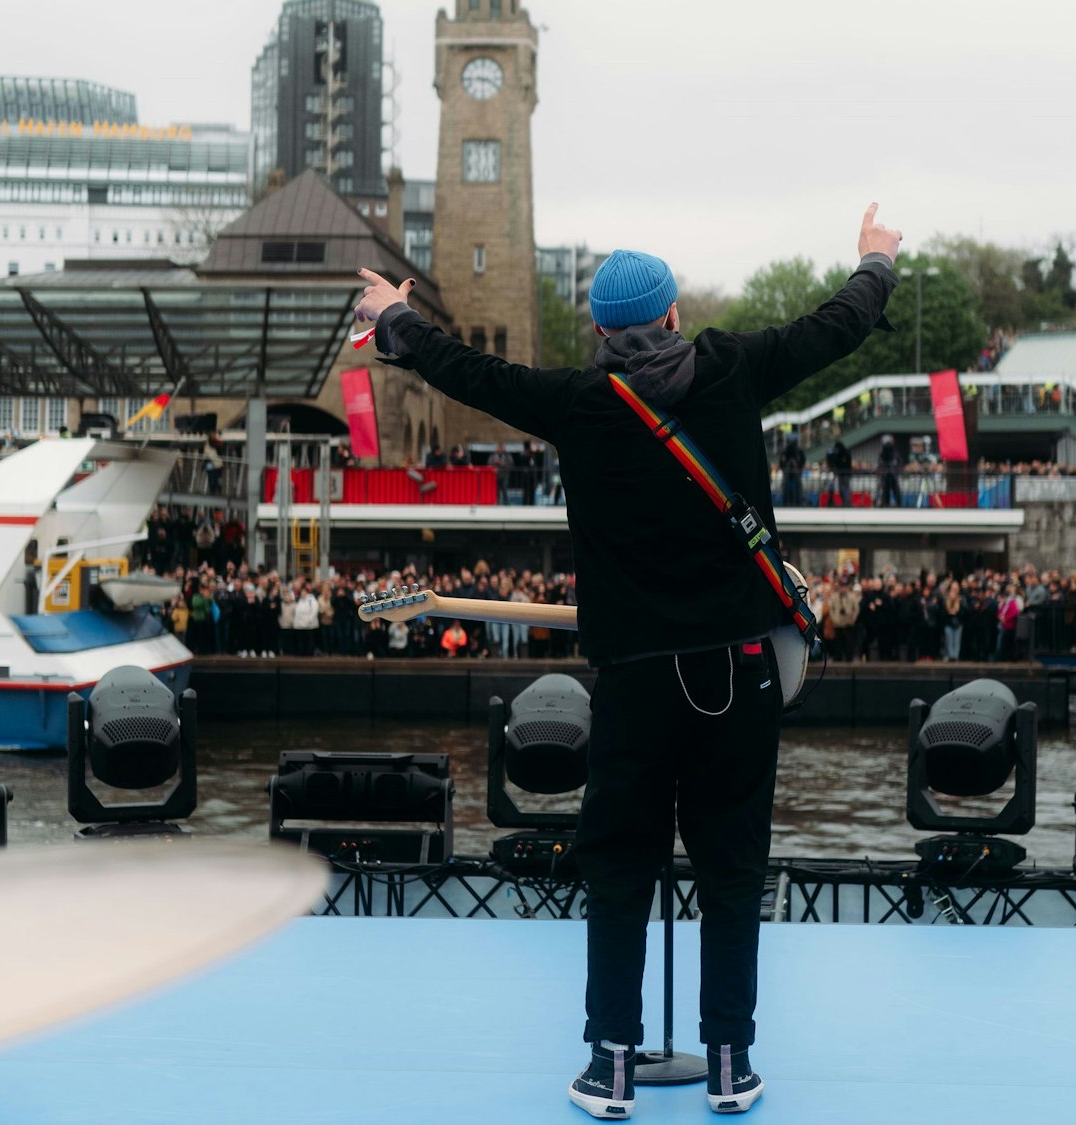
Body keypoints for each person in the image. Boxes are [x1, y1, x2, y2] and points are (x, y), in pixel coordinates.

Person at [354, 204, 901, 1119]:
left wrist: (396, 318)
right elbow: (837, 324)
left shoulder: (578, 403)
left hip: (638, 679)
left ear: (601, 331)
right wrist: (875, 261)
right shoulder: (734, 368)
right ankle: (730, 1063)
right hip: (740, 668)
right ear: (675, 314)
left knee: (619, 872)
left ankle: (611, 1067)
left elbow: (467, 371)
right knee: (732, 869)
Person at [874, 433, 904, 507]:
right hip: (887, 474)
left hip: (892, 474)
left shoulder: (894, 453)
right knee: (886, 490)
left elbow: (899, 462)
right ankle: (886, 503)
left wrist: (897, 470)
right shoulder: (884, 453)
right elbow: (880, 464)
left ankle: (896, 503)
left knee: (894, 490)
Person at [825, 438, 852, 506]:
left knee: (844, 488)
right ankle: (845, 502)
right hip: (844, 473)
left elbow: (838, 462)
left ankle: (846, 502)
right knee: (843, 488)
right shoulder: (845, 453)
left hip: (843, 473)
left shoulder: (841, 454)